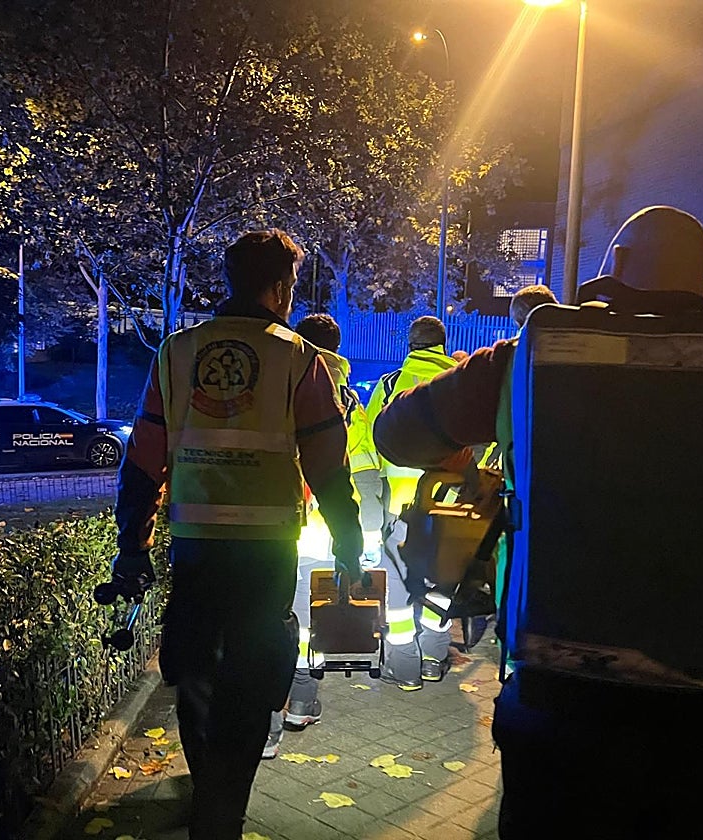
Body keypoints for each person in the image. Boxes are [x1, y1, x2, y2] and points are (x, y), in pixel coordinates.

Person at [373, 205, 703, 838]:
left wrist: (476, 446)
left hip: (559, 694)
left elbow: (396, 435)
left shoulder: (530, 359)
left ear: (616, 269)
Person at [112, 229, 362, 839]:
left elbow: (143, 462)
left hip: (195, 546)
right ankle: (224, 809)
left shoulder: (177, 352)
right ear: (280, 288)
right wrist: (348, 544)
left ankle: (209, 795)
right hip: (266, 550)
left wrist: (132, 548)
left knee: (197, 669)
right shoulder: (299, 358)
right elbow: (328, 465)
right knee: (253, 675)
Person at [276, 313, 384, 740]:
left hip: (283, 524)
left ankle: (268, 725)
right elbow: (363, 470)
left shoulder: (281, 387)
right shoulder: (349, 401)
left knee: (276, 619)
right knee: (309, 621)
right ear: (338, 350)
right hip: (333, 528)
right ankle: (302, 703)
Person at [363, 315, 459, 689]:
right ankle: (434, 658)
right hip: (451, 505)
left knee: (399, 585)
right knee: (442, 581)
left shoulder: (390, 385)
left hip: (399, 506)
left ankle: (405, 668)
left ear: (411, 345)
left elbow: (373, 439)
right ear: (443, 344)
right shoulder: (462, 382)